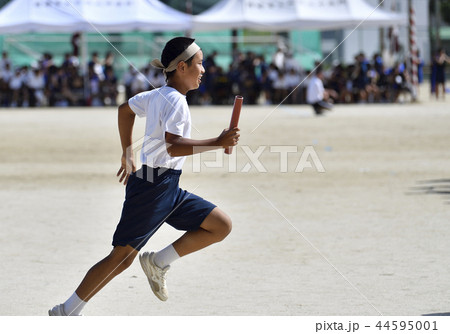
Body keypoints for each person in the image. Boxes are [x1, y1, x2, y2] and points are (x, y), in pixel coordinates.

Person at [48, 37, 240, 316]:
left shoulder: (157, 94)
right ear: (183, 66)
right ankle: (66, 311)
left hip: (166, 185)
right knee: (121, 259)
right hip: (153, 188)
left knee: (220, 225)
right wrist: (218, 141)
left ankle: (159, 262)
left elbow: (124, 111)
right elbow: (172, 145)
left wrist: (127, 152)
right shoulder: (175, 101)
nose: (204, 70)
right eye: (200, 64)